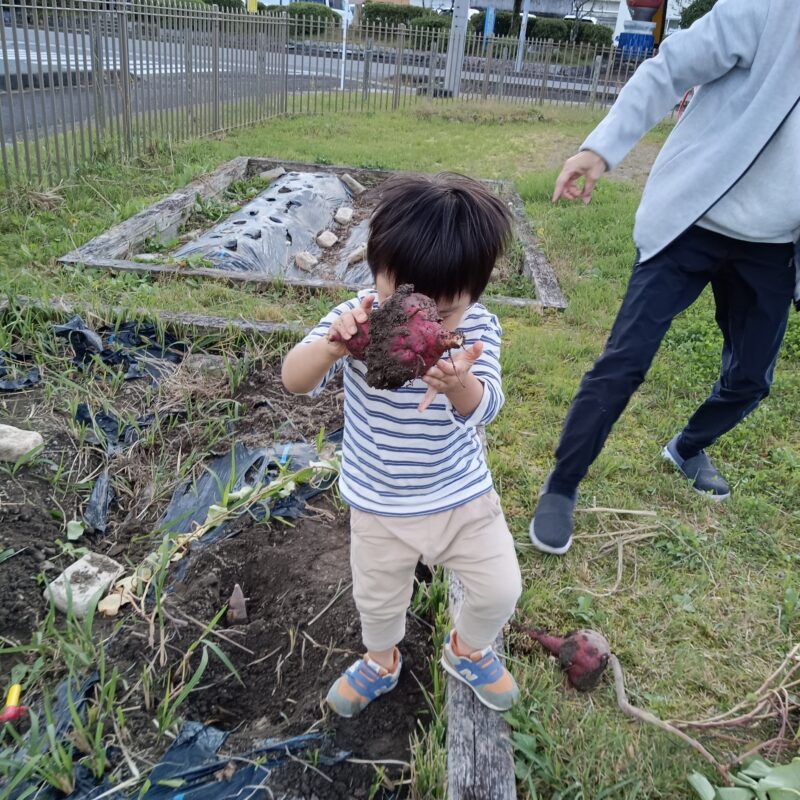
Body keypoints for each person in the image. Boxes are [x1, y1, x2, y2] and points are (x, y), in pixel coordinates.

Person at [530, 0, 800, 556]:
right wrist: (600, 148)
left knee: (752, 378)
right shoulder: (771, 10)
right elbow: (670, 66)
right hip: (692, 221)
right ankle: (562, 486)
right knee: (625, 362)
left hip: (774, 244)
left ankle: (688, 447)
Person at [281, 173, 522, 716]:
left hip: (461, 496)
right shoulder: (356, 318)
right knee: (378, 601)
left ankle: (468, 649)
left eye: (445, 312)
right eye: (402, 300)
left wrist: (459, 382)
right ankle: (380, 659)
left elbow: (488, 409)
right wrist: (333, 349)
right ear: (377, 273)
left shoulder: (479, 330)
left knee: (500, 590)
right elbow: (293, 379)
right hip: (379, 502)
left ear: (474, 295)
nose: (423, 321)